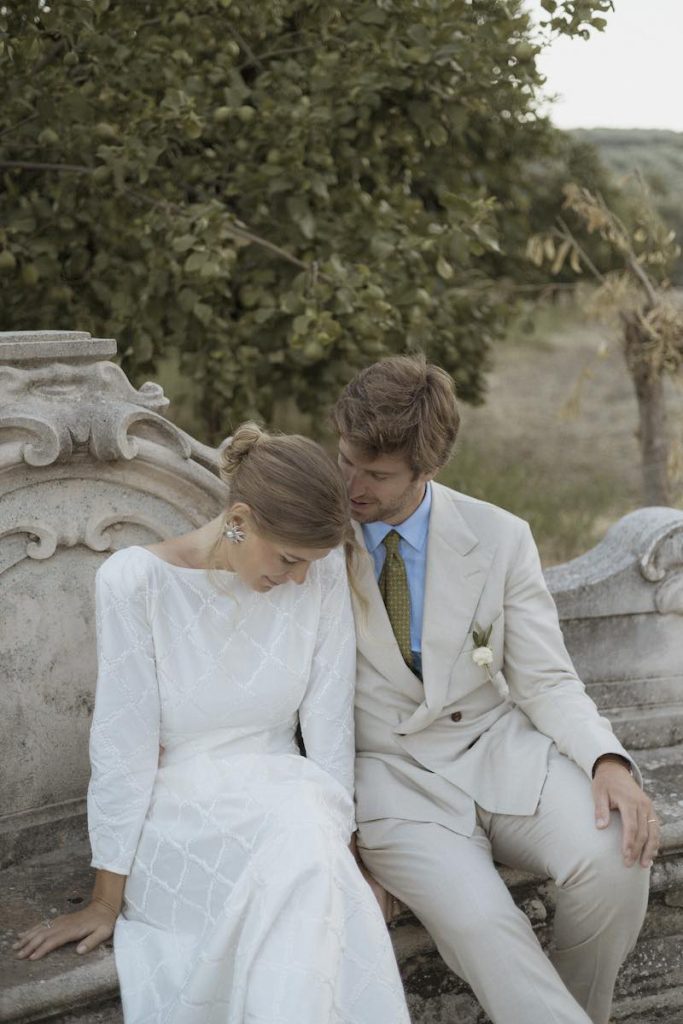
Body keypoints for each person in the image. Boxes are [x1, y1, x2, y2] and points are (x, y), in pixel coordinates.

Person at [14, 423, 410, 1024]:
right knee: (308, 860)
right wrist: (103, 900)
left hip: (289, 795)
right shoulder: (136, 582)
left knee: (312, 848)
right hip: (182, 816)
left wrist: (348, 853)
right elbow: (123, 746)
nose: (298, 578)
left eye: (309, 564)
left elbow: (330, 728)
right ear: (240, 520)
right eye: (288, 559)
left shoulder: (322, 575)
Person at [331, 355, 659, 1024]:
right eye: (345, 461)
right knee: (484, 921)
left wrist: (606, 761)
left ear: (427, 469)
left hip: (499, 750)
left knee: (617, 861)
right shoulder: (313, 534)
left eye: (375, 474)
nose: (351, 485)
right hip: (390, 779)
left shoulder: (500, 537)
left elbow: (544, 680)